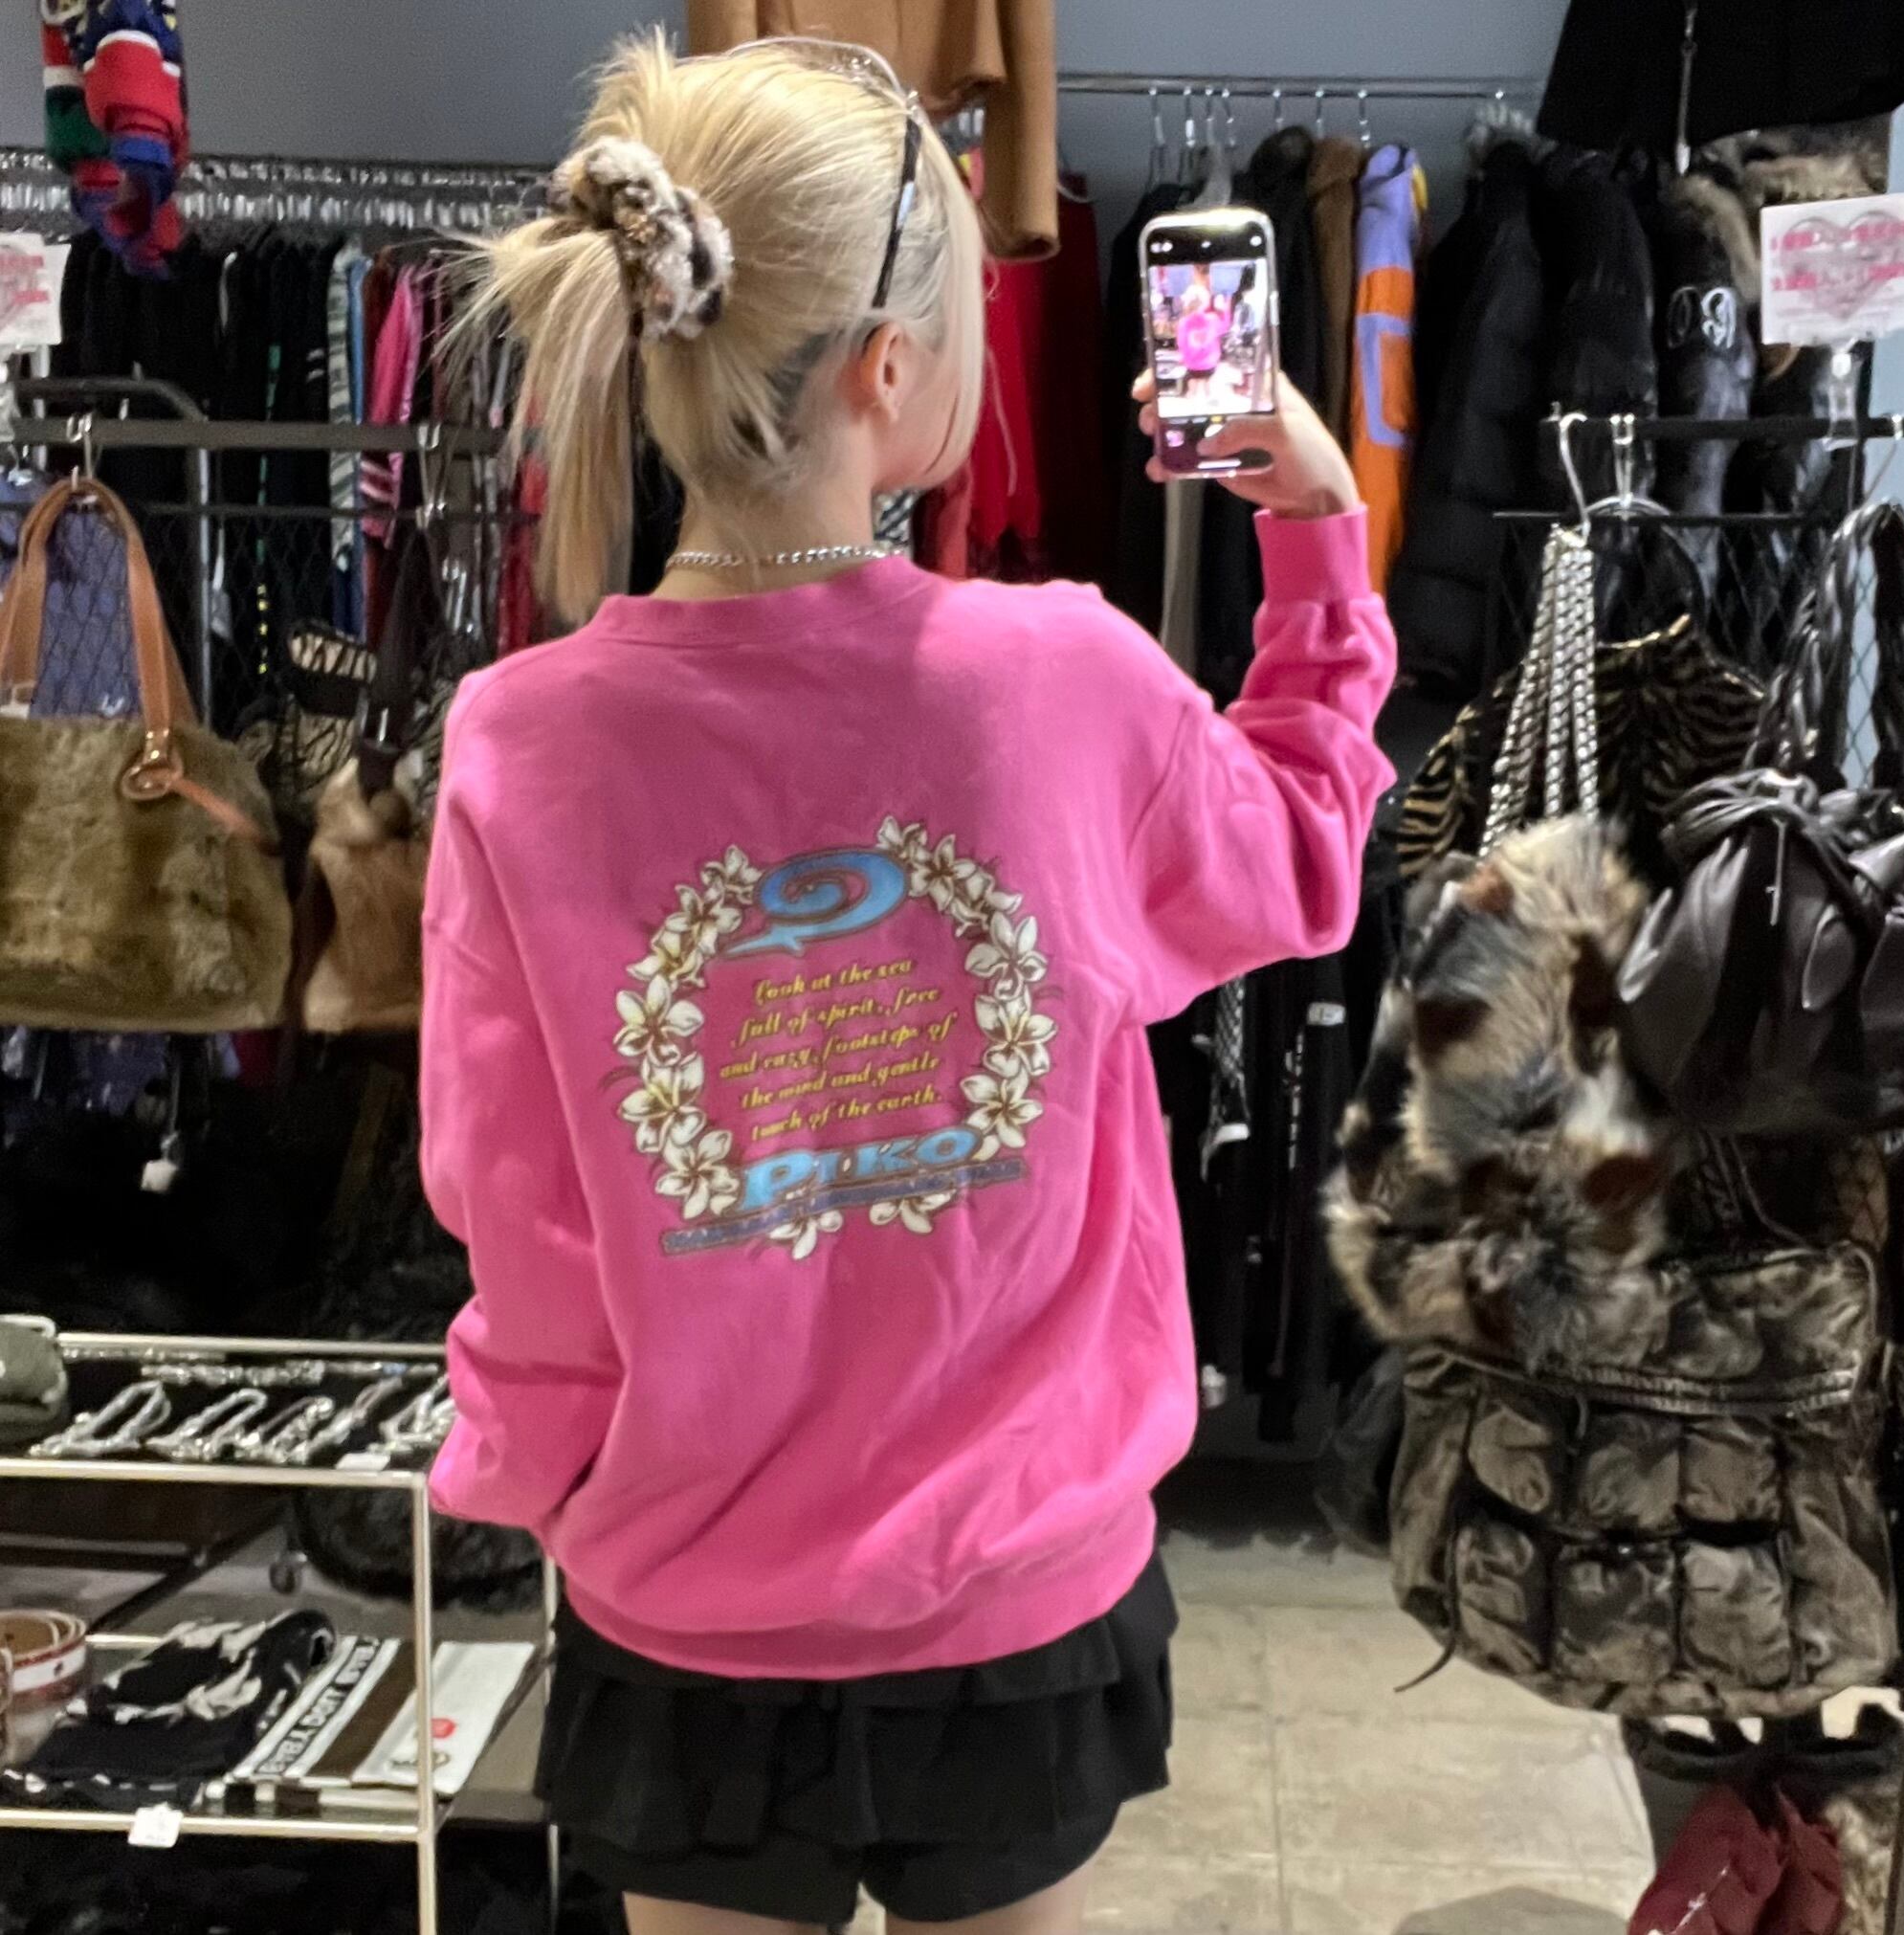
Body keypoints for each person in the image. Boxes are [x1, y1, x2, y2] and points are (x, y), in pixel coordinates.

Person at [422, 32, 1393, 1935]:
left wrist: (571, 1482)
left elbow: (507, 1197)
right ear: (888, 370)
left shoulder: (517, 742)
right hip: (1012, 1601)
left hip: (685, 1613)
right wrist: (1312, 534)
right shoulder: (1064, 681)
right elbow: (1301, 855)